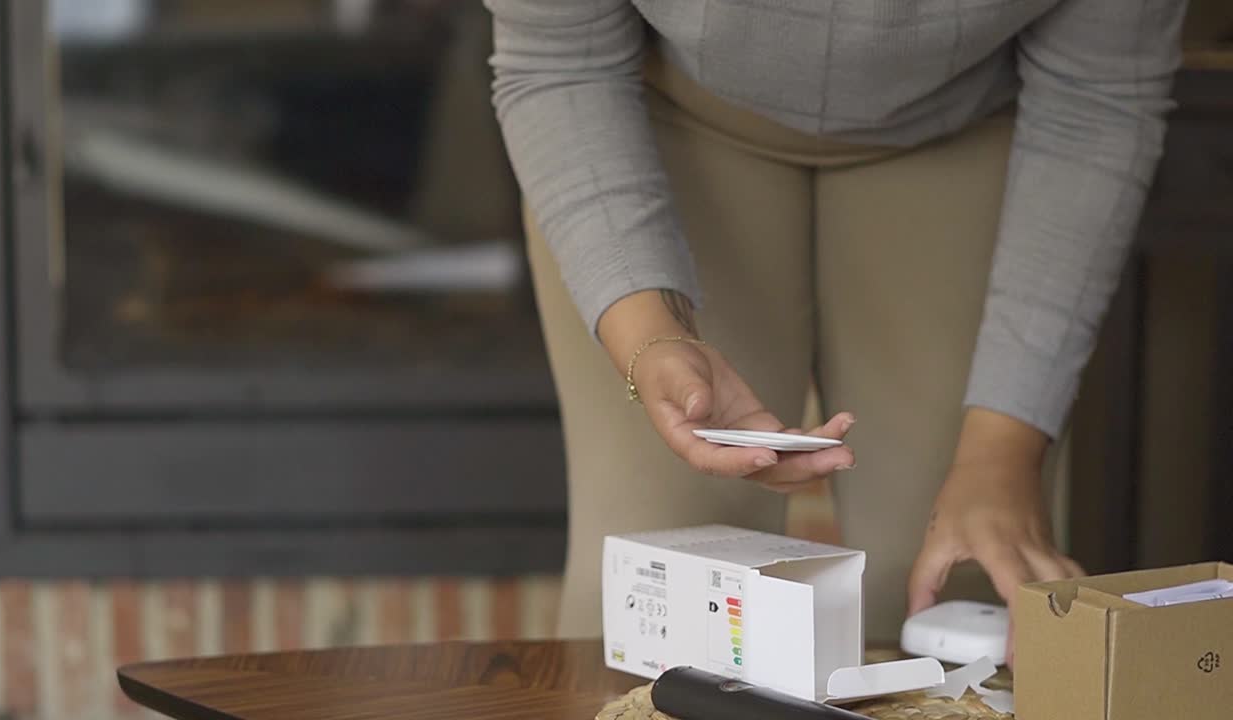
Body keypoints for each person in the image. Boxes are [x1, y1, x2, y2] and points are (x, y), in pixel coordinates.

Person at [483, 0, 1188, 653]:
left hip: (965, 126)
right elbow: (558, 58)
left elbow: (1100, 100)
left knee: (953, 587)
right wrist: (651, 335)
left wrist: (1005, 447)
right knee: (657, 591)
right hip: (659, 120)